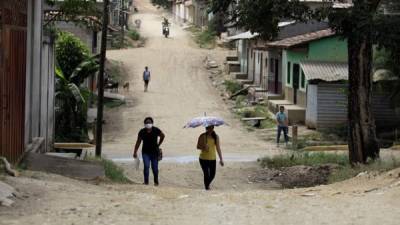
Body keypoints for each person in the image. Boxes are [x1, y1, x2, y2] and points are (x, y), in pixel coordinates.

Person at [133, 117, 165, 186]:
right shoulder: (142, 132)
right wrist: (135, 151)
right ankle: (146, 182)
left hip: (154, 153)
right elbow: (138, 142)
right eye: (147, 122)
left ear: (152, 123)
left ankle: (156, 182)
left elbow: (163, 136)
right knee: (146, 166)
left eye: (149, 122)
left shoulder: (156, 130)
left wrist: (159, 144)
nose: (148, 124)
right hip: (145, 153)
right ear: (144, 124)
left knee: (155, 168)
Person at [196, 125, 224, 190]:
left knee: (212, 175)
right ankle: (207, 187)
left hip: (212, 158)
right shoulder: (202, 136)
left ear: (213, 128)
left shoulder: (216, 137)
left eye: (211, 128)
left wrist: (221, 159)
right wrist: (204, 147)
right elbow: (198, 146)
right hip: (203, 159)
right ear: (206, 128)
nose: (210, 129)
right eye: (208, 128)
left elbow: (218, 148)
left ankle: (207, 185)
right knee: (206, 174)